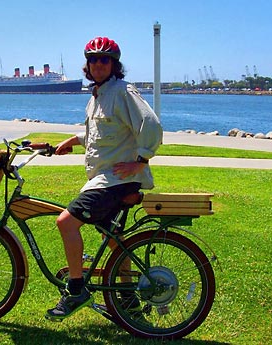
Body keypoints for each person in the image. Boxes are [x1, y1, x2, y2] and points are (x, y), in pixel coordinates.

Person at [45, 36, 163, 321]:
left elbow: (152, 124)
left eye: (104, 59)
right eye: (93, 59)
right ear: (87, 65)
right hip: (105, 179)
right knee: (113, 240)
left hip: (115, 181)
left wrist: (141, 161)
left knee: (66, 222)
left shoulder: (123, 91)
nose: (98, 64)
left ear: (114, 64)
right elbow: (102, 134)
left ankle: (76, 291)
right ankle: (128, 300)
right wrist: (73, 140)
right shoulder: (97, 96)